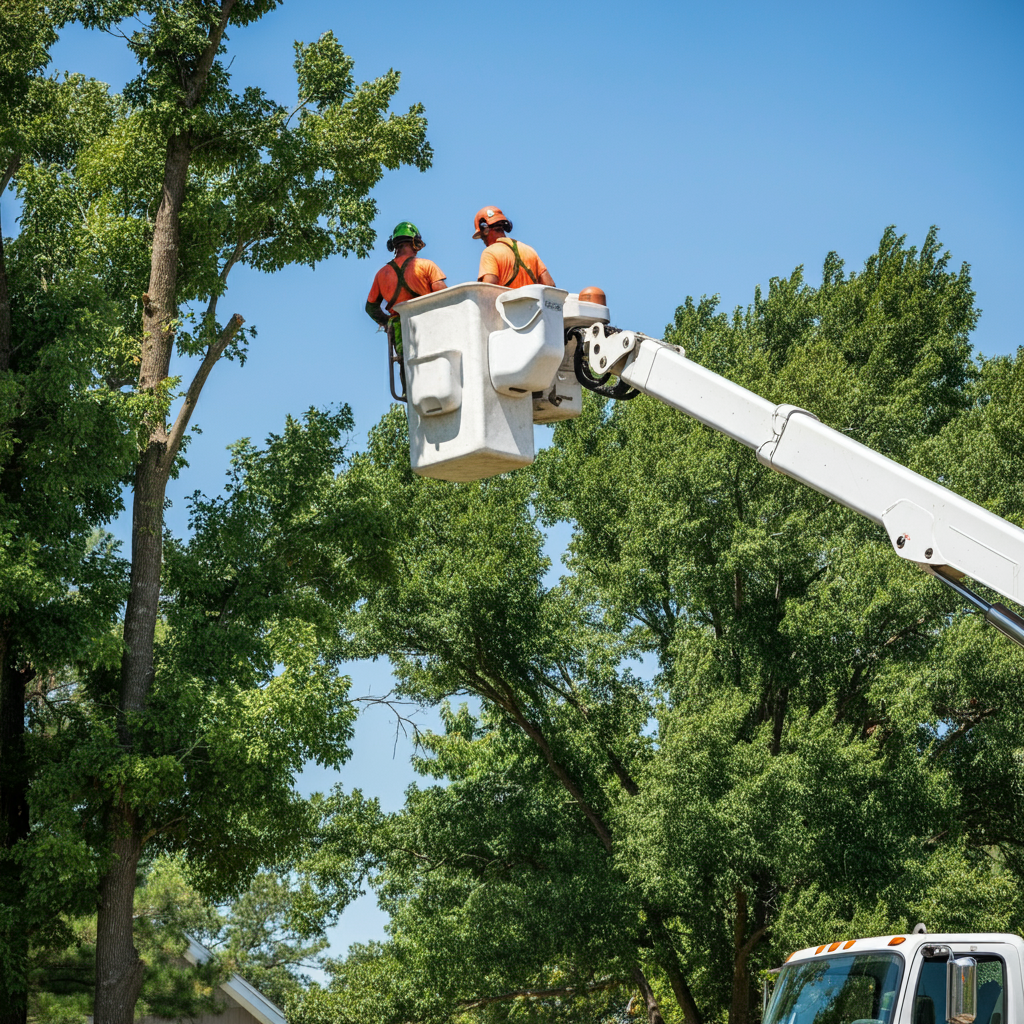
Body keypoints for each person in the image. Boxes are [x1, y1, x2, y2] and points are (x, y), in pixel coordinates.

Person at [365, 221, 447, 356]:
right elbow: (444, 295)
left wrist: (387, 323)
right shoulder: (426, 265)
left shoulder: (382, 274)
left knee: (408, 368)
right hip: (428, 324)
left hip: (400, 329)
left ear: (394, 245)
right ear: (415, 243)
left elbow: (371, 308)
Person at [473, 206, 555, 289]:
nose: (483, 241)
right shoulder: (529, 250)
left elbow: (488, 287)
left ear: (485, 230)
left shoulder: (490, 253)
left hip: (507, 302)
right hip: (531, 302)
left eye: (482, 237)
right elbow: (550, 284)